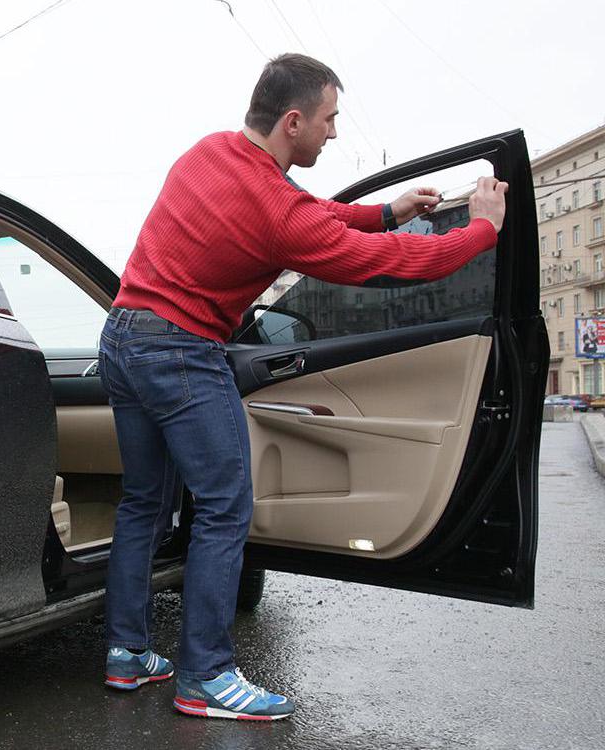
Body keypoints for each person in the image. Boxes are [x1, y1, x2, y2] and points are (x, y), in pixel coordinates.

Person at [98, 53, 508, 721]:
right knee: (226, 506)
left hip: (122, 336)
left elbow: (304, 212)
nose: (335, 133)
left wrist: (384, 209)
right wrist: (481, 230)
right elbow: (387, 265)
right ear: (293, 122)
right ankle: (204, 677)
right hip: (179, 349)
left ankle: (126, 652)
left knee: (143, 501)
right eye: (329, 119)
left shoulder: (212, 153)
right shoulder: (273, 207)